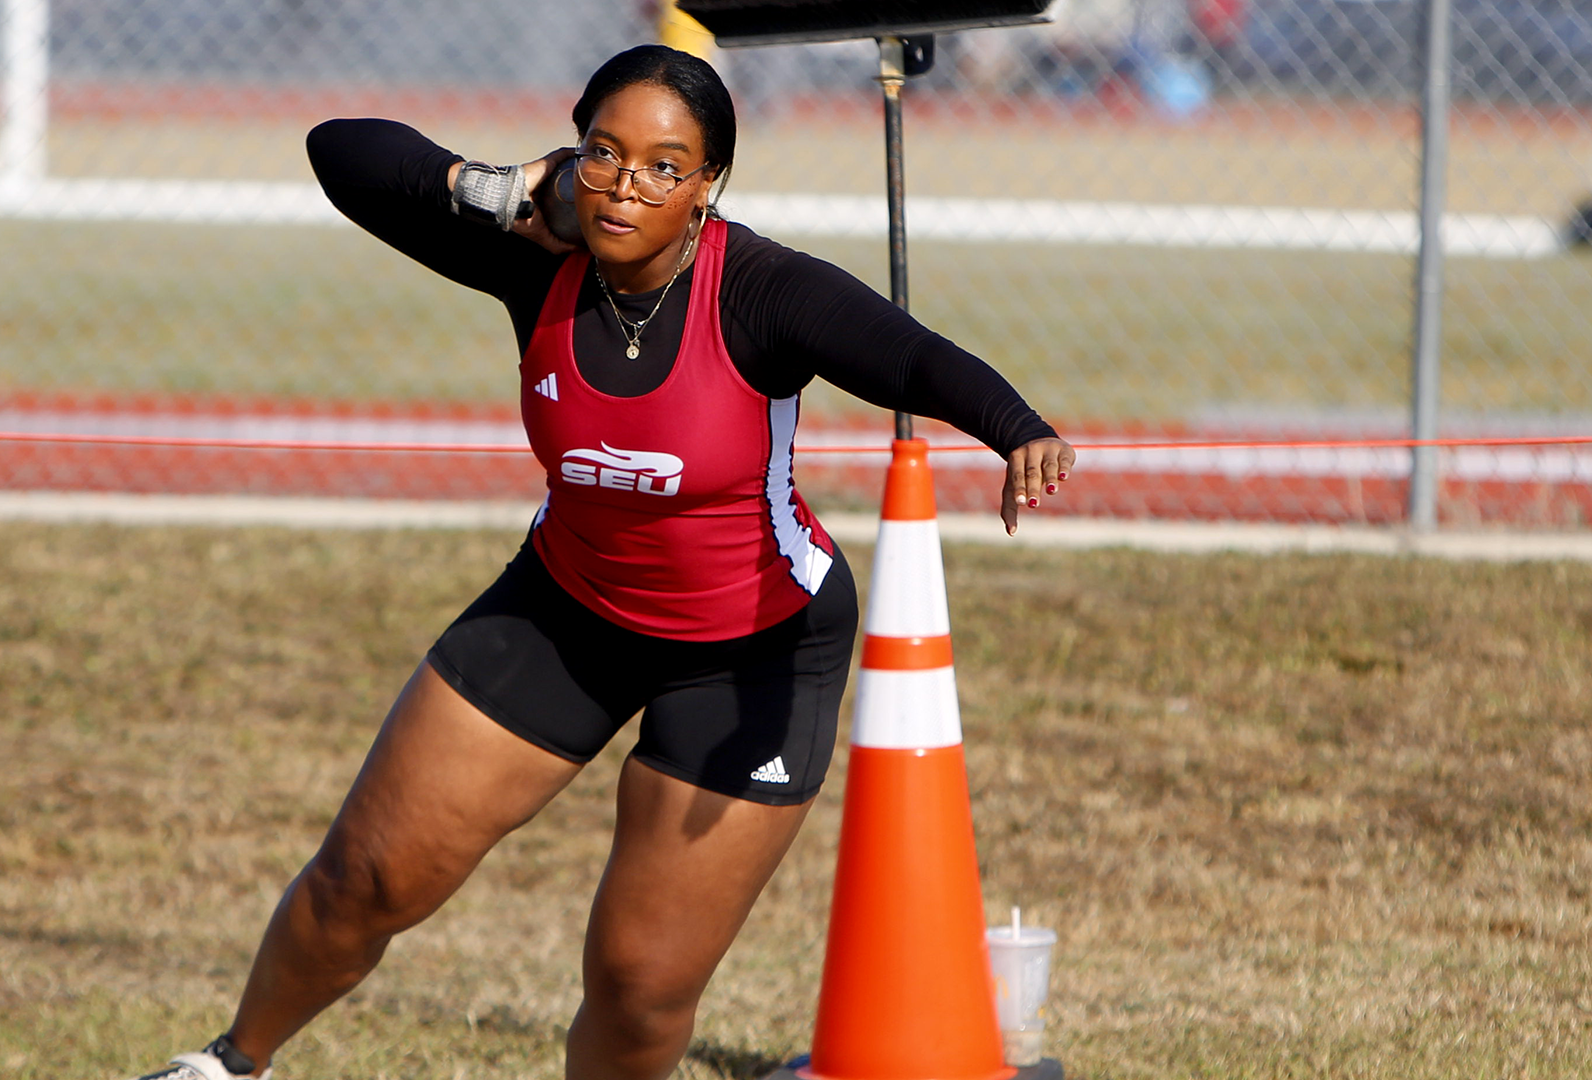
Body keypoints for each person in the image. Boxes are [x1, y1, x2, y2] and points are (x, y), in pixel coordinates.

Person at [133, 43, 1075, 1080]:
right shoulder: (537, 255)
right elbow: (342, 156)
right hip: (566, 607)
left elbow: (909, 352)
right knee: (367, 877)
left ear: (707, 185)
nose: (629, 186)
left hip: (750, 645)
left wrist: (1013, 425)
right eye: (604, 154)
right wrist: (491, 189)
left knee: (638, 985)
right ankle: (229, 1063)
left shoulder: (760, 290)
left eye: (665, 166)